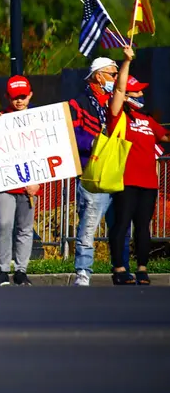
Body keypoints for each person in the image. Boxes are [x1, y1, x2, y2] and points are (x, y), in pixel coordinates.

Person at [107, 46, 169, 285]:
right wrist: (126, 62)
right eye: (136, 93)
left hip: (148, 182)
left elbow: (164, 137)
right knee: (122, 224)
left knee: (143, 227)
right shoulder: (117, 116)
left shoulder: (147, 120)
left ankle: (142, 268)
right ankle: (120, 268)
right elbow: (120, 89)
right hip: (125, 180)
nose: (140, 97)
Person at [69, 57, 129, 286]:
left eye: (116, 75)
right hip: (92, 173)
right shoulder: (78, 104)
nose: (115, 79)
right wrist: (94, 140)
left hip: (117, 172)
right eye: (112, 74)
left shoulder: (116, 103)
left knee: (121, 226)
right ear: (98, 75)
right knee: (89, 225)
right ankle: (83, 271)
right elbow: (74, 135)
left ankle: (121, 268)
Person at [0, 75, 40, 287]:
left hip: (30, 185)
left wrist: (37, 181)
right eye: (14, 97)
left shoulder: (40, 119)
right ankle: (2, 269)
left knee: (25, 228)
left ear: (30, 95)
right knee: (5, 224)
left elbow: (45, 153)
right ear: (7, 97)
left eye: (23, 96)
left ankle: (21, 270)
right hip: (5, 183)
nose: (19, 101)